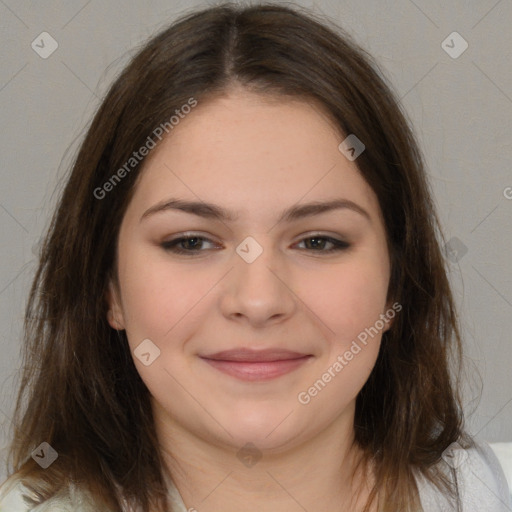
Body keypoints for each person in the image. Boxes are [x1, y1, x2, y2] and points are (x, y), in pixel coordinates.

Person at [0, 2, 510, 511]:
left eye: (318, 241)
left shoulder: (485, 493)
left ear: (397, 280)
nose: (259, 300)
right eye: (191, 242)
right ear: (108, 285)